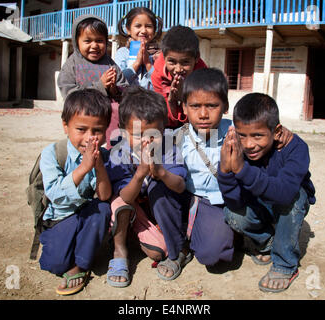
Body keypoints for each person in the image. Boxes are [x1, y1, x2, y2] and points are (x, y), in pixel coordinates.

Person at [218, 92, 316, 293]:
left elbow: (285, 194)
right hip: (259, 205)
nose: (249, 144)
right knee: (232, 214)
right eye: (242, 135)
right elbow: (234, 202)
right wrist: (226, 171)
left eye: (258, 135)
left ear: (277, 131)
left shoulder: (295, 148)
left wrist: (242, 170)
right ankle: (266, 242)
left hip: (287, 203)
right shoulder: (237, 151)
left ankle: (284, 264)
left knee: (295, 197)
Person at [105, 86, 188, 287]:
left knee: (158, 252)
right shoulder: (119, 151)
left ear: (164, 129)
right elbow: (125, 196)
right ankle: (119, 251)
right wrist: (141, 173)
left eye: (153, 135)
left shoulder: (168, 148)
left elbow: (180, 186)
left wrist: (161, 172)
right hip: (130, 204)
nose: (146, 141)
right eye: (137, 134)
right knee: (119, 204)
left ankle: (169, 246)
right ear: (124, 131)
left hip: (149, 210)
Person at [38, 89, 113, 296]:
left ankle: (81, 264)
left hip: (87, 215)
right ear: (66, 126)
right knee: (54, 264)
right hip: (61, 218)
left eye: (97, 130)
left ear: (107, 129)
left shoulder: (104, 155)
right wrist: (83, 168)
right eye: (81, 129)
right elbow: (54, 194)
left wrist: (98, 167)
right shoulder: (53, 153)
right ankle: (66, 247)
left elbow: (105, 195)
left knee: (102, 209)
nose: (90, 138)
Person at [57, 14, 128, 149]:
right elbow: (69, 94)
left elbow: (125, 88)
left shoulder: (110, 64)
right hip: (83, 119)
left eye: (99, 40)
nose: (94, 46)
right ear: (77, 41)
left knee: (109, 152)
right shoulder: (72, 65)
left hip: (108, 124)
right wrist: (100, 86)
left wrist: (114, 89)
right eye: (88, 41)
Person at [151, 25, 208, 129]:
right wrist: (171, 101)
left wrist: (184, 98)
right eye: (172, 62)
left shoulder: (203, 77)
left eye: (185, 62)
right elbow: (166, 120)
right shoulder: (157, 76)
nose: (178, 69)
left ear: (196, 58)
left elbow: (198, 118)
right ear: (164, 57)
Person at [115, 7, 163, 90]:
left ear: (154, 30)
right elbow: (119, 83)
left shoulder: (158, 56)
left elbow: (159, 86)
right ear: (128, 29)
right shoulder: (122, 53)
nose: (143, 30)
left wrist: (148, 63)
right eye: (138, 26)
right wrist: (137, 63)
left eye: (148, 26)